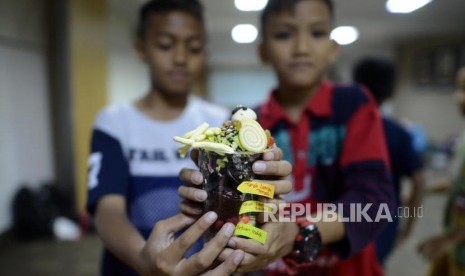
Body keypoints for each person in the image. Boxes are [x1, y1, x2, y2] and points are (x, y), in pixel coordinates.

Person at [179, 0, 395, 275]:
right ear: (262, 51)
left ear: (333, 48)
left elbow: (375, 201)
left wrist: (299, 231)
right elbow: (244, 207)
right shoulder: (251, 125)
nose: (301, 48)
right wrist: (213, 195)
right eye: (284, 34)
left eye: (316, 33)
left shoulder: (354, 104)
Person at [86, 0, 292, 275]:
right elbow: (107, 209)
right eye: (165, 45)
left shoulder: (220, 122)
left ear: (205, 53)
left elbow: (242, 199)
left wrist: (264, 191)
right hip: (132, 266)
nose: (181, 57)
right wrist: (143, 257)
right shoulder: (115, 122)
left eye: (193, 47)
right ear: (141, 49)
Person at [353, 57, 424, 264]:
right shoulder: (398, 133)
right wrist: (408, 228)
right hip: (383, 221)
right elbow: (418, 181)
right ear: (391, 91)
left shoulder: (343, 130)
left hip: (341, 219)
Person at [419, 67, 465, 276]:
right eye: (458, 89)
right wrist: (423, 189)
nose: (458, 98)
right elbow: (457, 182)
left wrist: (451, 239)